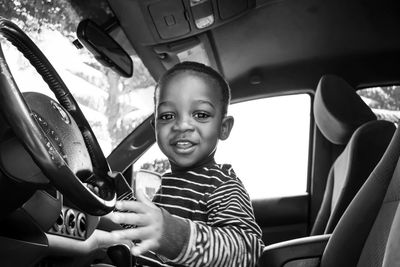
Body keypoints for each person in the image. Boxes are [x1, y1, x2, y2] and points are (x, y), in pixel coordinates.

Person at [109, 61, 264, 266]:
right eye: (167, 116)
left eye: (200, 115)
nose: (182, 125)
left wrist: (174, 235)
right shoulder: (169, 183)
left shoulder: (222, 185)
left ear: (224, 128)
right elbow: (146, 236)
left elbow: (248, 250)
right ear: (155, 126)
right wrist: (120, 195)